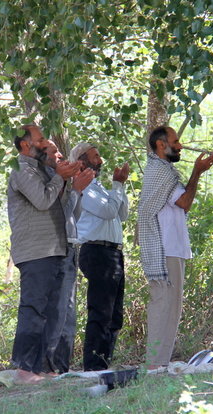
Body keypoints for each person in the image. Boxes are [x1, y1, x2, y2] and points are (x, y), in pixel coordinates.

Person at [138, 126, 213, 370]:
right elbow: (185, 202)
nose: (180, 145)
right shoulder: (161, 172)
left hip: (170, 247)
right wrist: (197, 171)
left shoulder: (164, 171)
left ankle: (159, 364)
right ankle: (154, 366)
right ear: (161, 145)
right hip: (164, 248)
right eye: (176, 141)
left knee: (171, 306)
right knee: (164, 304)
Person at [7, 125, 80, 384]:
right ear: (26, 145)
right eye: (40, 139)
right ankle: (25, 370)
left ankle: (42, 369)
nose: (44, 143)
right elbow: (42, 201)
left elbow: (60, 206)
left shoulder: (42, 170)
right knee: (34, 309)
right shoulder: (21, 169)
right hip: (35, 251)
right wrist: (60, 177)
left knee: (52, 311)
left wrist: (71, 183)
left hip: (54, 248)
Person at [70, 143, 130, 371]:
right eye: (96, 156)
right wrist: (117, 184)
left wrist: (119, 186)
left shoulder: (99, 188)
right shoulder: (85, 189)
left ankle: (104, 363)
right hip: (97, 252)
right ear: (82, 162)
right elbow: (109, 211)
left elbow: (121, 213)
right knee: (101, 311)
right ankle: (93, 367)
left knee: (114, 314)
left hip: (112, 253)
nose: (101, 160)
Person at [43, 141, 94, 374]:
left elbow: (75, 214)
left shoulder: (62, 183)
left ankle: (62, 368)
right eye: (54, 152)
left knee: (69, 313)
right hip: (56, 250)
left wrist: (78, 191)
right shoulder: (46, 183)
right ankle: (47, 367)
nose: (60, 155)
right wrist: (74, 190)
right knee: (57, 310)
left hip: (72, 247)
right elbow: (59, 216)